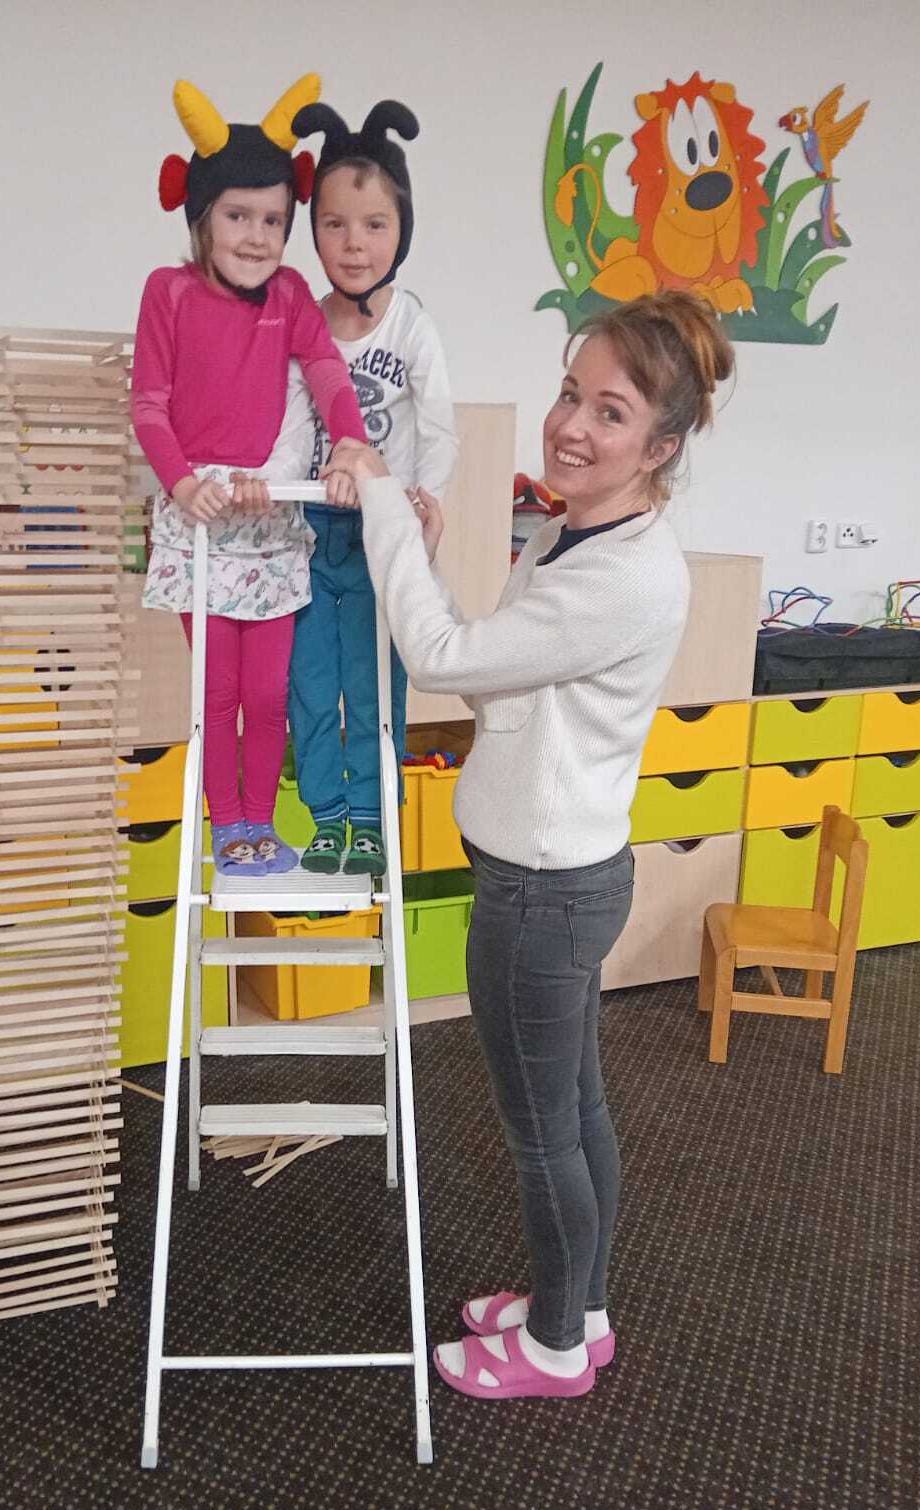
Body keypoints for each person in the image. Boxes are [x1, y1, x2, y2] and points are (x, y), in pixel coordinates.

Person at [334, 290, 735, 1398]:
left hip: (544, 893)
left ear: (661, 446)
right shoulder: (571, 532)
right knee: (574, 1112)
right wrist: (420, 548)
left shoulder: (623, 573)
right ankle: (580, 1310)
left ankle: (556, 1348)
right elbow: (500, 668)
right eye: (571, 393)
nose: (571, 425)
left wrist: (380, 503)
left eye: (610, 413)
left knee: (543, 1135)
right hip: (562, 877)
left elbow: (445, 658)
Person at [132, 75, 366, 877]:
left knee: (268, 696)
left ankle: (260, 821)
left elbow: (327, 371)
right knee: (218, 694)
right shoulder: (168, 293)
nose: (258, 236)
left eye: (273, 220)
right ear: (202, 218)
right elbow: (149, 405)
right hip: (200, 520)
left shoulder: (292, 294)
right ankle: (226, 823)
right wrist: (180, 483)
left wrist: (349, 443)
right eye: (238, 216)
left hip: (269, 518)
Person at [279, 99, 458, 876]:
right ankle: (326, 816)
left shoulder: (411, 325)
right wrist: (285, 487)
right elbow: (290, 420)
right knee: (312, 684)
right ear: (314, 231)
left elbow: (440, 425)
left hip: (384, 534)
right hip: (310, 530)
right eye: (335, 224)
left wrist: (423, 502)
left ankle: (373, 816)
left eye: (375, 224)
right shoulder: (303, 323)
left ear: (401, 232)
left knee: (376, 683)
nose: (354, 243)